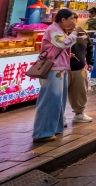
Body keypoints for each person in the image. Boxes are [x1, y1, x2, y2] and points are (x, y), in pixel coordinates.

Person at [32, 9, 77, 142]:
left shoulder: (59, 30)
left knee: (58, 101)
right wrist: (74, 34)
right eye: (71, 19)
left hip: (60, 69)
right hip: (53, 69)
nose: (73, 22)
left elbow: (59, 47)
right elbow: (64, 43)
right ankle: (42, 133)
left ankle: (54, 128)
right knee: (50, 100)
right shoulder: (53, 29)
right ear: (63, 19)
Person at [68, 19, 95, 123]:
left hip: (79, 68)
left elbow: (89, 47)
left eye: (75, 20)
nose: (73, 23)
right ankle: (59, 118)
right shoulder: (61, 33)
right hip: (64, 69)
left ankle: (79, 114)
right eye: (71, 20)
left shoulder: (83, 34)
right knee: (60, 95)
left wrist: (90, 62)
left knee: (80, 92)